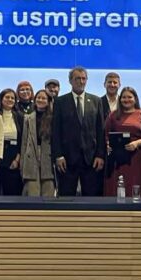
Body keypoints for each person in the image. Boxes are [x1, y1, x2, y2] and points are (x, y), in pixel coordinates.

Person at [51, 66, 105, 197]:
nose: (81, 81)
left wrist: (100, 155)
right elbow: (56, 131)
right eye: (77, 79)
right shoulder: (60, 102)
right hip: (67, 159)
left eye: (83, 78)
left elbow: (100, 131)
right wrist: (58, 155)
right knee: (66, 198)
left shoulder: (96, 101)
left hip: (91, 159)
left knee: (91, 198)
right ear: (70, 81)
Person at [20, 88, 56, 197]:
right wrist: (22, 164)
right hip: (31, 157)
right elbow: (24, 142)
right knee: (32, 193)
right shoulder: (28, 118)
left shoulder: (54, 118)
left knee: (48, 193)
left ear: (48, 101)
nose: (40, 100)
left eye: (44, 98)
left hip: (48, 158)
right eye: (38, 98)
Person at [0, 88, 24, 195]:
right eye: (7, 97)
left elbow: (22, 140)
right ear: (1, 99)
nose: (10, 100)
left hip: (13, 157)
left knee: (12, 192)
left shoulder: (20, 116)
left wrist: (17, 160)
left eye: (12, 98)